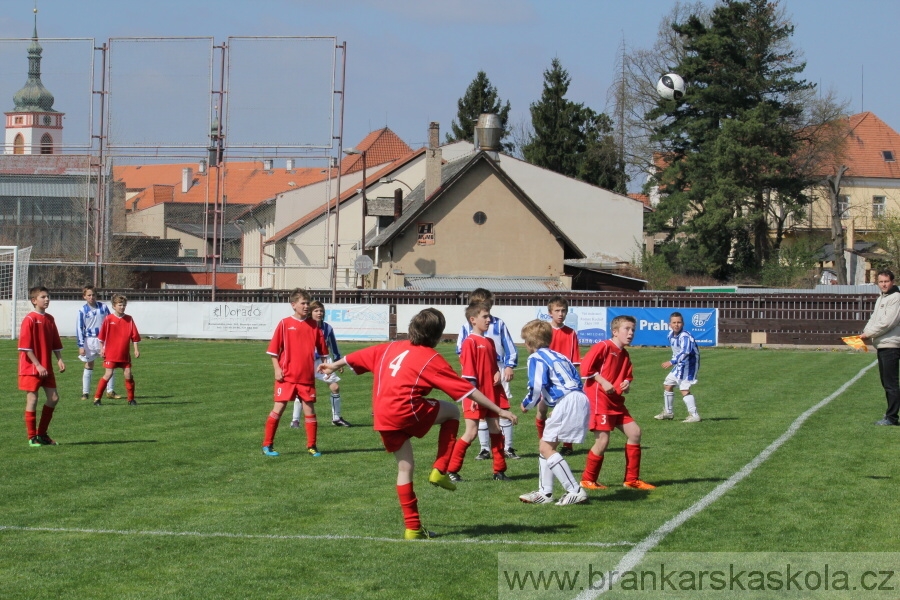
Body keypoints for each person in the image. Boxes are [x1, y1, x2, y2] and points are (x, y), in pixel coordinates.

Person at [319, 307, 517, 539]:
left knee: (405, 468)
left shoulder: (390, 347)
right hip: (406, 410)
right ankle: (440, 469)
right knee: (453, 411)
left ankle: (413, 528)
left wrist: (333, 365)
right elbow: (468, 391)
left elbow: (354, 357)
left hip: (382, 415)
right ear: (436, 335)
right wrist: (498, 410)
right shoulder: (431, 358)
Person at [517, 319, 589, 506]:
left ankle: (575, 489)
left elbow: (536, 386)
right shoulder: (561, 356)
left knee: (547, 448)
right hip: (578, 397)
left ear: (529, 343)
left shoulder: (536, 358)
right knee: (545, 446)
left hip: (567, 401)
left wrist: (527, 403)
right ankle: (545, 492)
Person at [580, 315, 655, 491]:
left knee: (635, 432)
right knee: (603, 441)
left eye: (633, 330)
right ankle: (587, 480)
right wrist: (603, 382)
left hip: (616, 402)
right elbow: (585, 369)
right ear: (615, 331)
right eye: (626, 329)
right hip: (600, 400)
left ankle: (631, 480)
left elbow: (627, 376)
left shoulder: (625, 354)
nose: (630, 333)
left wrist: (626, 383)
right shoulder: (603, 346)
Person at [446, 302, 509, 482]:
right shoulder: (469, 342)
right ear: (473, 320)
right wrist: (472, 395)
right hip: (474, 394)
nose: (489, 319)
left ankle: (499, 471)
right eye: (485, 316)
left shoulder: (489, 341)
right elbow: (469, 372)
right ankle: (452, 470)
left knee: (496, 429)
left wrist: (497, 371)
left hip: (491, 392)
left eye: (489, 316)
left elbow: (492, 364)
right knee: (471, 432)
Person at [456, 288, 519, 460]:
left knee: (502, 409)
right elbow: (461, 351)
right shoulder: (466, 328)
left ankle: (509, 447)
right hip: (476, 374)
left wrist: (508, 366)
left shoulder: (498, 323)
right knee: (481, 413)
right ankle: (484, 449)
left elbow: (510, 347)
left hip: (497, 370)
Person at [263, 288, 327, 457]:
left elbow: (323, 351)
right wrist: (277, 369)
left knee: (310, 412)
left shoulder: (314, 326)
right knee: (278, 409)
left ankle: (312, 446)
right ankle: (267, 445)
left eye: (308, 303)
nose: (306, 306)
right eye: (303, 303)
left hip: (306, 377)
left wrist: (326, 365)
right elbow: (273, 351)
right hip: (287, 377)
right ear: (293, 305)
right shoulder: (284, 324)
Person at [290, 300, 351, 429]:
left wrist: (338, 362)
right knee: (302, 391)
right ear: (310, 312)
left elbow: (334, 346)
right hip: (306, 362)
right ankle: (295, 420)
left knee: (335, 387)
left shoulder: (327, 328)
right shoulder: (304, 326)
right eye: (316, 310)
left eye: (321, 311)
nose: (319, 313)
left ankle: (336, 418)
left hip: (323, 361)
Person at [19, 286, 65, 446]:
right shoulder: (30, 319)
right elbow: (25, 347)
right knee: (32, 399)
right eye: (43, 297)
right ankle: (32, 437)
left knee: (53, 398)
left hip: (46, 367)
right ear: (34, 300)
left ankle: (42, 434)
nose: (47, 299)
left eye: (48, 296)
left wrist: (59, 359)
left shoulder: (50, 319)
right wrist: (38, 365)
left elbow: (55, 342)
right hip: (31, 368)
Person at [860, 269, 900, 426]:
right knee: (887, 382)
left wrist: (869, 333)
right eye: (881, 282)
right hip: (883, 345)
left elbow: (888, 323)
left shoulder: (896, 298)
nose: (884, 284)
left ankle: (891, 417)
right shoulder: (881, 298)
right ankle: (891, 414)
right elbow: (874, 319)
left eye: (886, 281)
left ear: (893, 282)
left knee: (891, 383)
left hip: (892, 344)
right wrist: (864, 332)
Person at [544, 295, 580, 456]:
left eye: (563, 311)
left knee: (567, 412)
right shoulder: (544, 331)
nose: (561, 314)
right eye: (557, 310)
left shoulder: (571, 333)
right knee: (542, 411)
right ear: (550, 312)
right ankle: (544, 441)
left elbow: (574, 360)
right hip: (547, 376)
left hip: (565, 379)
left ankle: (568, 445)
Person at [93, 294, 141, 406]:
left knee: (128, 375)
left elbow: (134, 336)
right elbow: (101, 337)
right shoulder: (109, 319)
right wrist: (102, 349)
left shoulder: (129, 319)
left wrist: (136, 349)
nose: (122, 307)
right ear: (114, 306)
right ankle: (97, 398)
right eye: (120, 305)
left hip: (124, 354)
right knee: (108, 374)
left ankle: (131, 399)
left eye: (124, 305)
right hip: (111, 353)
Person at [655, 312, 701, 423]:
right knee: (668, 385)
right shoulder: (670, 334)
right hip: (680, 364)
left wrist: (672, 361)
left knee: (684, 389)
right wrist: (675, 360)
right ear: (670, 324)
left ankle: (694, 415)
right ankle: (668, 412)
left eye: (679, 322)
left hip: (689, 365)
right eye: (674, 322)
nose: (676, 325)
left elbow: (686, 352)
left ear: (683, 323)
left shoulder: (685, 336)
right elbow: (676, 351)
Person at [76, 285, 120, 401]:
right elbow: (79, 328)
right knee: (89, 364)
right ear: (84, 296)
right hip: (89, 341)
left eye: (93, 295)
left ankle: (110, 391)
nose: (91, 297)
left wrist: (113, 338)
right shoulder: (82, 310)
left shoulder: (104, 307)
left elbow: (110, 322)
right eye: (89, 295)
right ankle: (85, 392)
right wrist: (81, 345)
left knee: (110, 364)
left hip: (103, 340)